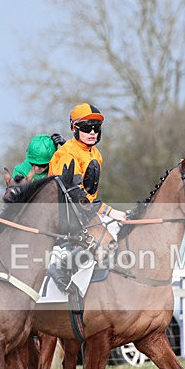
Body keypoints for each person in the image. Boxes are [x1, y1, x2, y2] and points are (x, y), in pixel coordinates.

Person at [45, 103, 126, 290]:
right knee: (104, 244)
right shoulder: (67, 153)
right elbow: (76, 194)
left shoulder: (95, 153)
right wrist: (110, 212)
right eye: (87, 128)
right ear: (75, 129)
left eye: (96, 128)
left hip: (85, 212)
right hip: (65, 212)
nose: (92, 132)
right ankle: (60, 268)